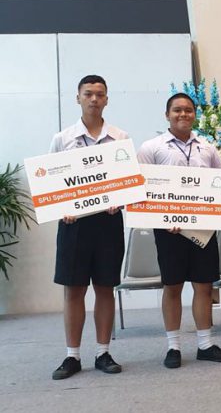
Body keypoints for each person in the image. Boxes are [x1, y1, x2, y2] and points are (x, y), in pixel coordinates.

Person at [138, 93, 221, 368]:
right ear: (167, 115)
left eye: (188, 110)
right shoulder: (151, 148)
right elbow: (141, 189)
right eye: (177, 110)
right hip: (169, 231)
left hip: (203, 230)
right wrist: (162, 217)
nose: (183, 114)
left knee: (204, 285)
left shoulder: (207, 147)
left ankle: (205, 344)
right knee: (173, 286)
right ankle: (173, 347)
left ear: (195, 114)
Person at [50, 75, 126, 379]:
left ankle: (103, 352)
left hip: (108, 222)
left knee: (105, 287)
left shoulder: (120, 138)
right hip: (74, 225)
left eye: (99, 94)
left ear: (107, 99)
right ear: (78, 98)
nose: (94, 99)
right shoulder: (62, 139)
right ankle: (72, 356)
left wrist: (119, 199)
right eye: (88, 94)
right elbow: (52, 184)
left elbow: (126, 182)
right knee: (74, 289)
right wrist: (63, 208)